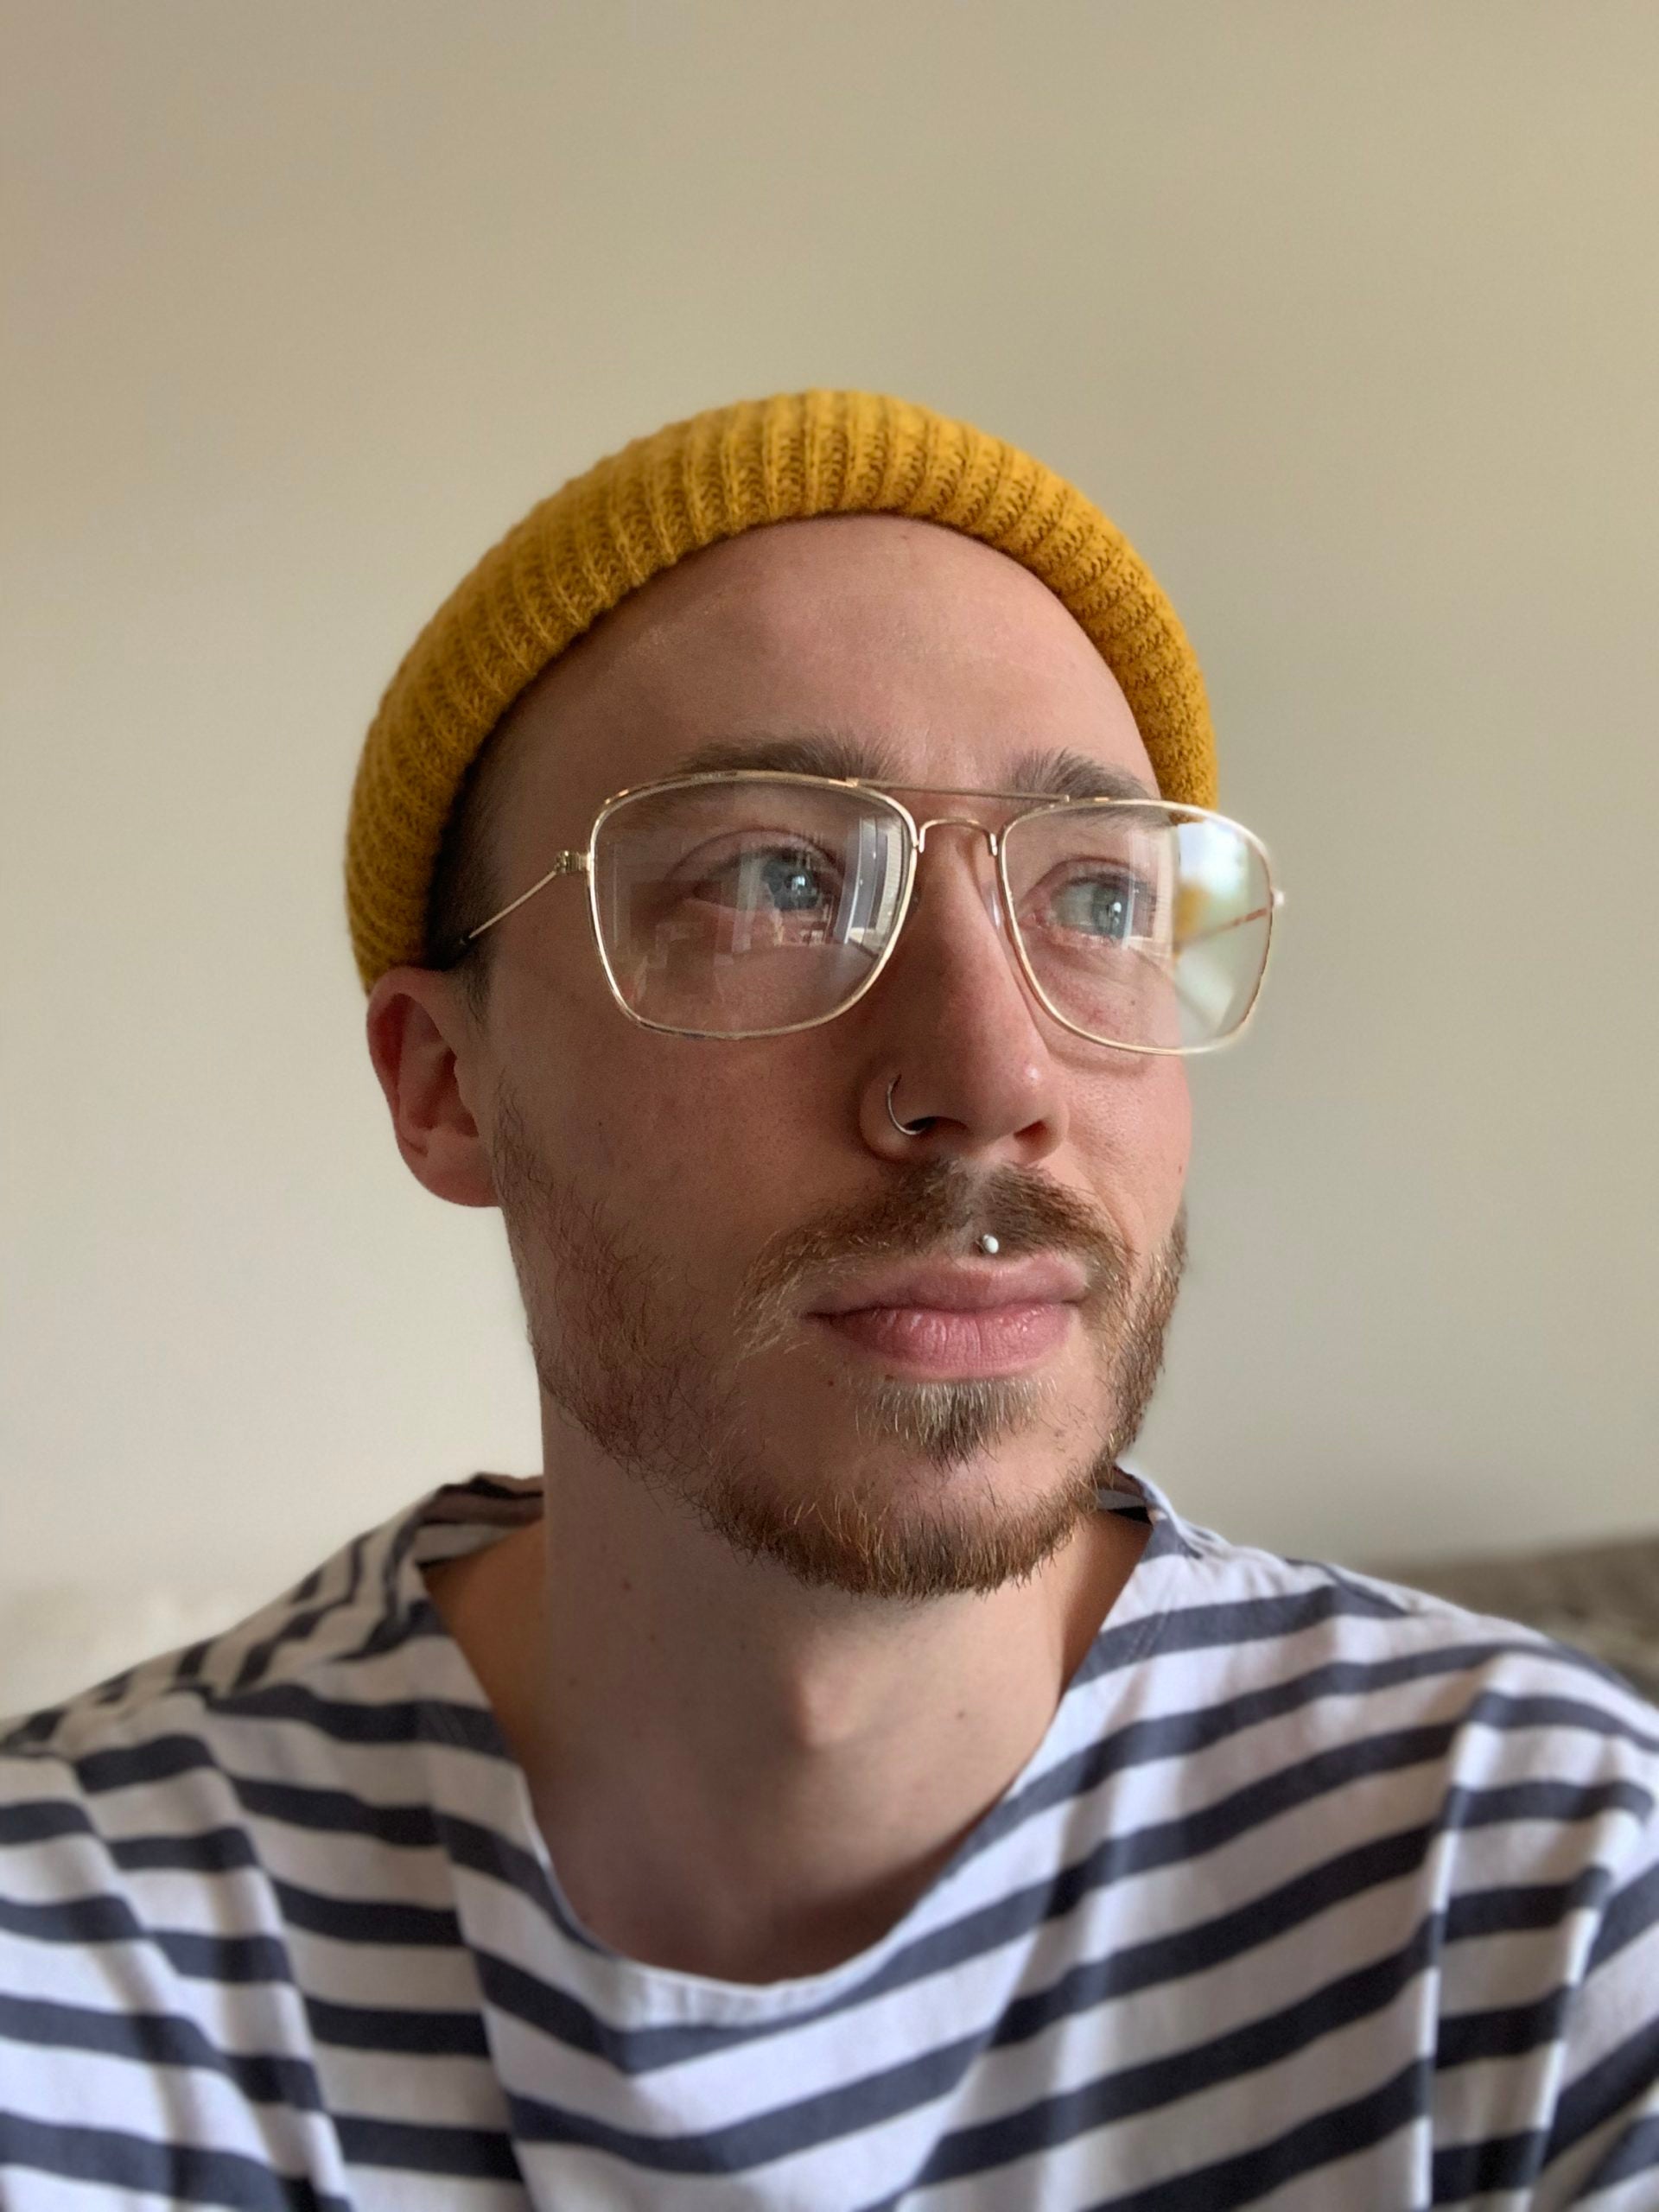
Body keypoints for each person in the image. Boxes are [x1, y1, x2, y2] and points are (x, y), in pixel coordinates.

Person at [1, 390, 1654, 2209]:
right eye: (771, 881)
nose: (993, 1073)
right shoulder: (82, 1949)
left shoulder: (1550, 1890)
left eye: (1099, 899)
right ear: (449, 1084)